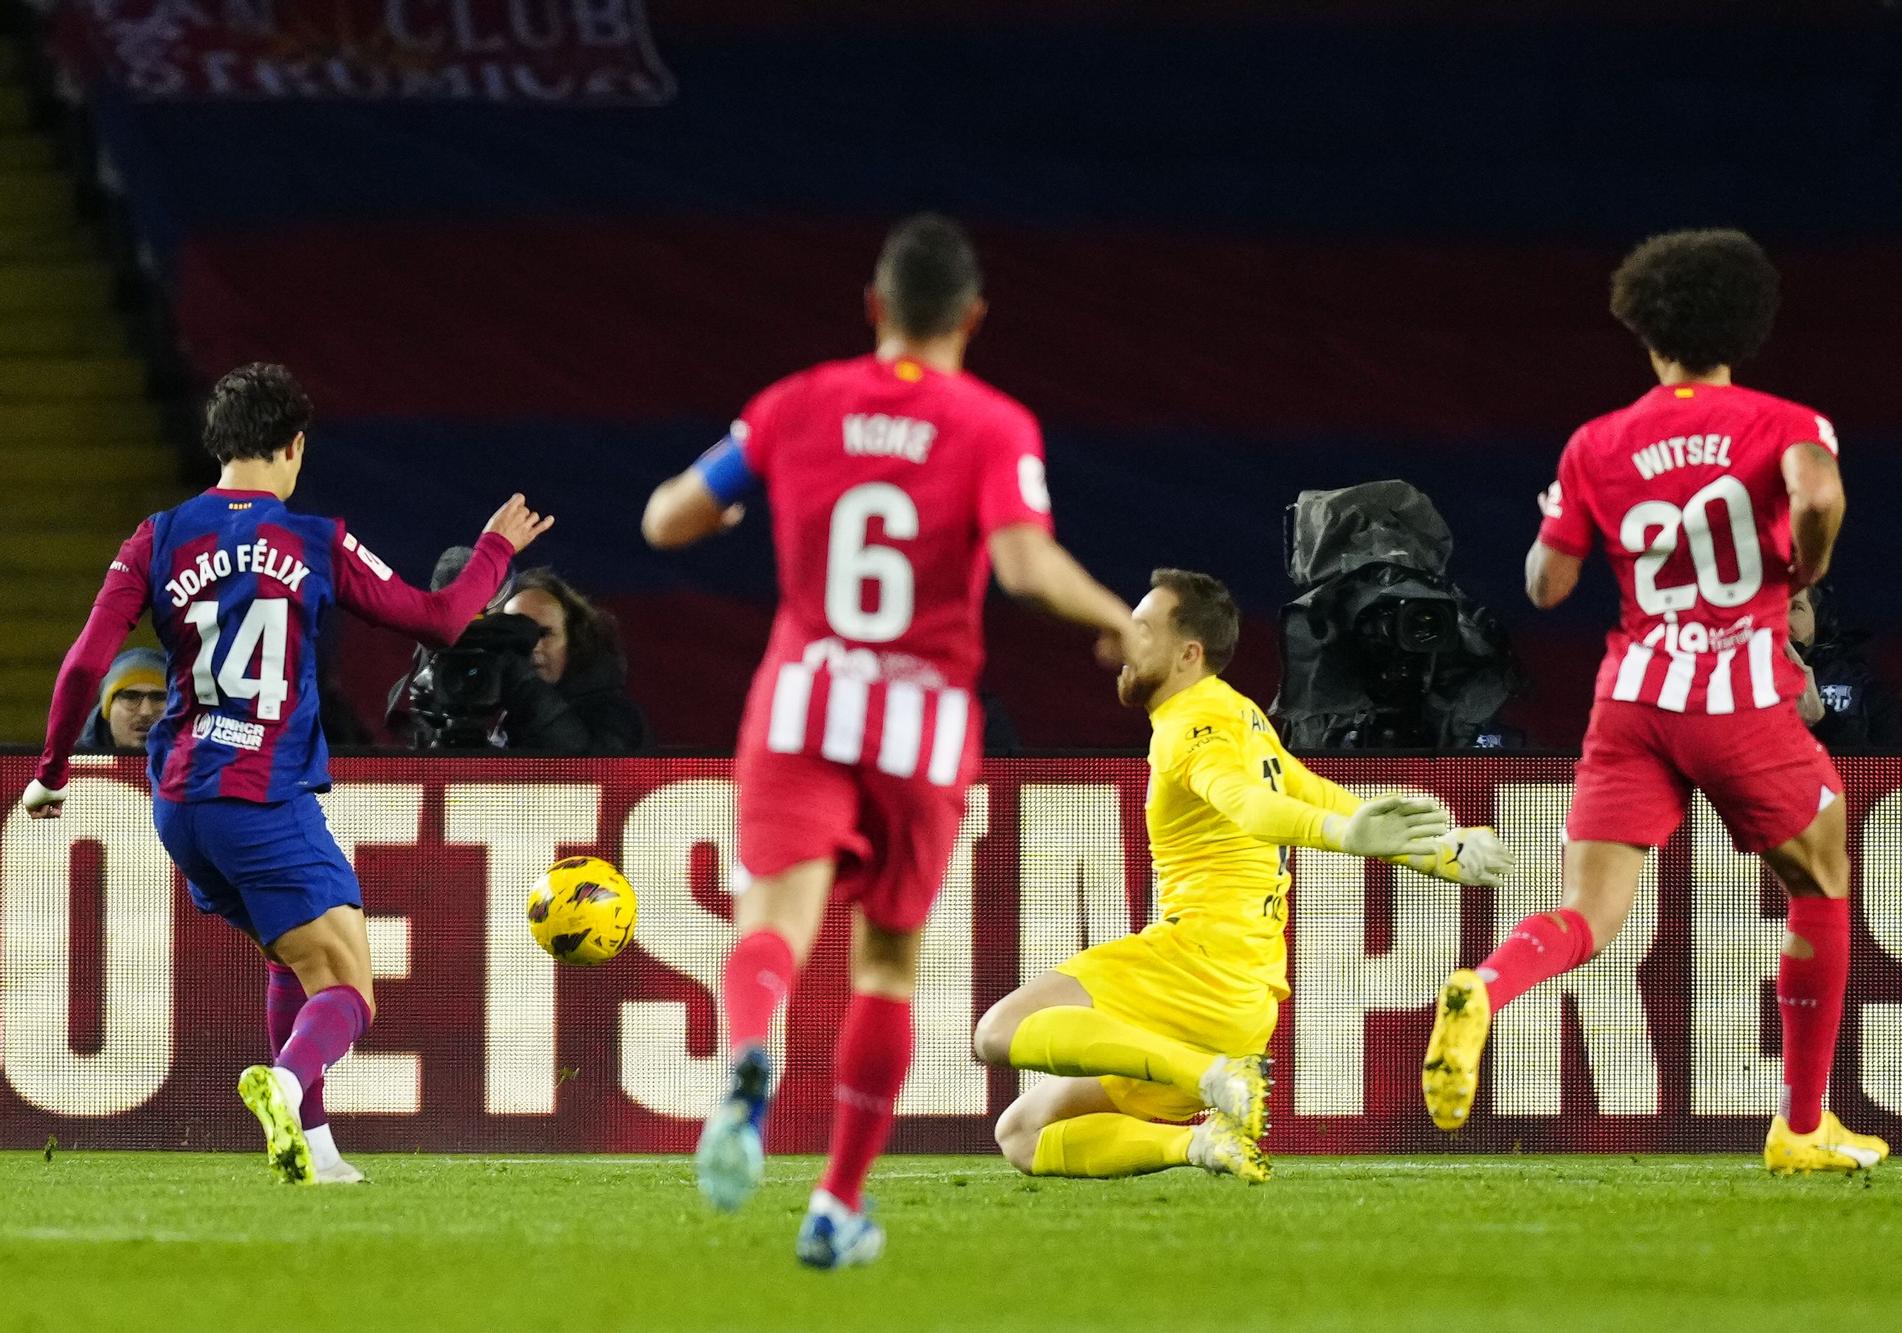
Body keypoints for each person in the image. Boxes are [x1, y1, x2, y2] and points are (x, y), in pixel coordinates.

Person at [641, 214, 1137, 1269]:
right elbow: (1023, 567)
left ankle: (745, 1058)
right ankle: (834, 1202)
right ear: (972, 317)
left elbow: (665, 520)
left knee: (772, 926)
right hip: (919, 720)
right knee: (886, 966)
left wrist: (730, 506)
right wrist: (1117, 620)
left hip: (802, 700)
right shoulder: (992, 423)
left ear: (872, 307)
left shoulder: (794, 404)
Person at [1420, 229, 1888, 1174]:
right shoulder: (1786, 421)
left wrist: (1566, 504)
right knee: (1823, 879)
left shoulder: (1598, 441)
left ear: (1644, 329)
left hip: (1633, 694)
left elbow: (1546, 584)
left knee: (1588, 914)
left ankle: (1485, 982)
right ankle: (1802, 1127)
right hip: (1739, 691)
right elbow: (1820, 493)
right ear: (1745, 325)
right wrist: (1807, 558)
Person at [22, 363, 553, 1185]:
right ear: (294, 446)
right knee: (349, 990)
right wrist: (495, 550)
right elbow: (442, 619)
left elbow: (84, 664)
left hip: (180, 802)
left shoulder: (155, 537)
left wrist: (53, 769)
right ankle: (288, 1079)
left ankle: (317, 1147)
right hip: (261, 794)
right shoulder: (314, 540)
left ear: (218, 444)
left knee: (293, 963)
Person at [973, 569, 1511, 1181]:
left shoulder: (1190, 723)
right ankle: (1202, 1144)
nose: (1124, 641)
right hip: (1243, 1007)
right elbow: (1314, 794)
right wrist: (1438, 847)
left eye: (1141, 630)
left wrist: (1356, 836)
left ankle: (1210, 1076)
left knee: (998, 1032)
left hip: (1195, 966)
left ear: (1188, 653)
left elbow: (1252, 808)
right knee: (1021, 1133)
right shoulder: (1242, 716)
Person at [497, 568, 651, 751]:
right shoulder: (506, 715)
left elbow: (590, 771)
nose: (533, 646)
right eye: (518, 634)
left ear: (575, 640)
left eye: (544, 634)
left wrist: (528, 690)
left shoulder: (617, 716)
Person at [1788, 585, 1902, 750]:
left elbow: (1889, 773)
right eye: (1773, 610)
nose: (1781, 621)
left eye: (1795, 608)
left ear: (1819, 619)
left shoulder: (1869, 691)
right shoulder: (1740, 687)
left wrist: (1822, 721)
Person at [75, 647, 168, 752]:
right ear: (107, 710)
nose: (145, 712)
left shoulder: (190, 765)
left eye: (160, 698)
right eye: (130, 697)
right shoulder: (68, 766)